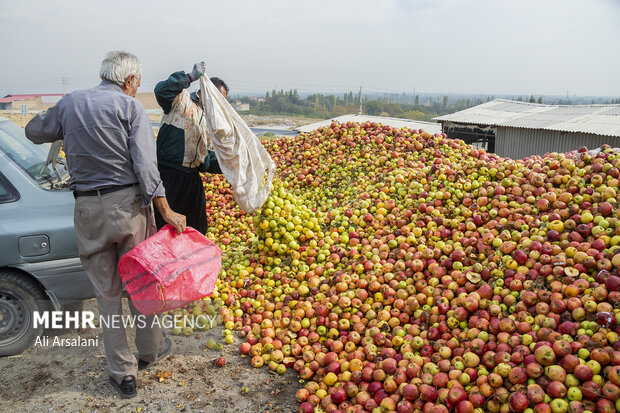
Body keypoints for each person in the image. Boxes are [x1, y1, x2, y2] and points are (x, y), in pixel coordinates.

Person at [25, 51, 186, 399]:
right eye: (137, 83)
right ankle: (149, 351)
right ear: (129, 81)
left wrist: (63, 123)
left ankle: (122, 372)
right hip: (128, 207)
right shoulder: (130, 108)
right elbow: (146, 167)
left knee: (107, 293)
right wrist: (167, 211)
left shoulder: (70, 102)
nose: (136, 88)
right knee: (141, 285)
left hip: (88, 209)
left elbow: (34, 130)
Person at [153, 64, 229, 234]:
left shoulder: (211, 122)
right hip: (168, 176)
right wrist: (189, 77)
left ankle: (190, 261)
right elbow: (161, 91)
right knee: (165, 229)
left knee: (196, 228)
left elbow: (205, 160)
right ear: (205, 91)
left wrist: (229, 165)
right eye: (217, 99)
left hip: (191, 179)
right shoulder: (180, 100)